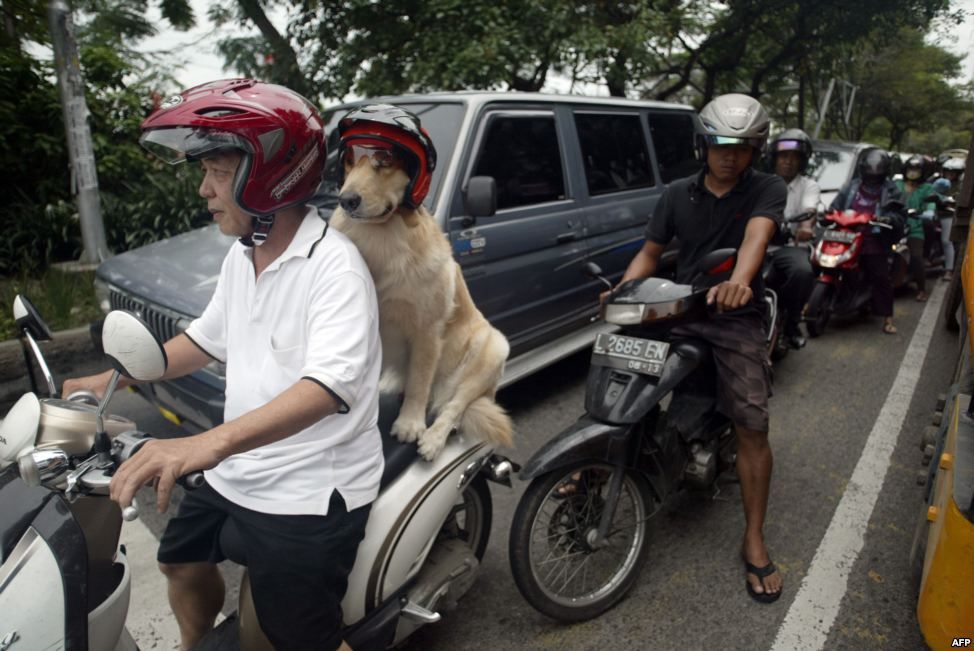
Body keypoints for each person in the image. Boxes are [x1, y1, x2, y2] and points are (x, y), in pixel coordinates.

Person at [63, 79, 383, 651]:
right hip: (240, 467)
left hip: (308, 486)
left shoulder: (335, 268)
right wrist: (116, 376)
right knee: (178, 561)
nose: (205, 191)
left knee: (300, 635)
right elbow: (205, 341)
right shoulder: (245, 257)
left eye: (216, 172)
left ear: (267, 176)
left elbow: (325, 389)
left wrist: (200, 445)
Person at [610, 93, 786, 602]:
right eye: (721, 145)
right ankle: (606, 453)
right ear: (703, 146)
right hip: (681, 308)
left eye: (744, 147)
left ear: (756, 151)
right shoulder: (676, 193)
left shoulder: (767, 188)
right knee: (620, 359)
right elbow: (649, 253)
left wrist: (739, 281)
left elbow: (757, 236)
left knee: (752, 421)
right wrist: (624, 290)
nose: (731, 156)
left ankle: (753, 536)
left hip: (735, 315)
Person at [829, 149, 906, 333]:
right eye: (869, 175)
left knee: (880, 277)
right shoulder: (851, 186)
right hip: (847, 236)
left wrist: (887, 219)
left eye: (876, 177)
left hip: (874, 238)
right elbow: (835, 205)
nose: (872, 180)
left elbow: (899, 214)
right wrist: (828, 214)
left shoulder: (892, 190)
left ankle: (887, 318)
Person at [766, 128, 821, 348]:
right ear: (774, 158)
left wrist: (805, 228)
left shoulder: (809, 186)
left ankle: (791, 323)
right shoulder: (762, 183)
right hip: (759, 245)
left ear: (802, 162)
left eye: (794, 158)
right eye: (783, 156)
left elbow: (810, 211)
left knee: (803, 272)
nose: (788, 162)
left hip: (791, 246)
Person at [896, 155, 939, 301]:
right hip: (893, 224)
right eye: (910, 169)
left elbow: (931, 204)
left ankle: (922, 289)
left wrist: (929, 212)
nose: (913, 172)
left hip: (914, 227)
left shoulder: (927, 188)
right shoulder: (897, 184)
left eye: (916, 170)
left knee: (916, 257)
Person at [938, 157, 965, 282]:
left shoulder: (962, 186)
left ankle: (949, 270)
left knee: (946, 240)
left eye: (953, 172)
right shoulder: (937, 182)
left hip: (948, 215)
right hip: (932, 214)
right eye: (947, 172)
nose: (949, 175)